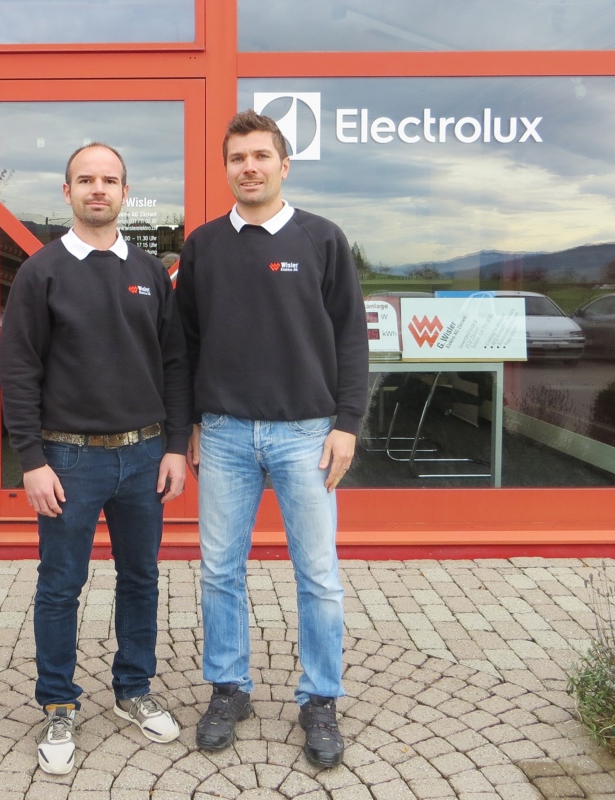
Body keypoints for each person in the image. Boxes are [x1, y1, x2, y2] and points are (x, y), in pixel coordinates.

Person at [175, 110, 369, 768]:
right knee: (219, 572)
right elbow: (185, 343)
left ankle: (320, 699)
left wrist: (347, 424)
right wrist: (189, 423)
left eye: (261, 156)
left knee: (318, 576)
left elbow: (351, 338)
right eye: (238, 158)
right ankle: (228, 690)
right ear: (226, 169)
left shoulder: (322, 239)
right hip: (224, 433)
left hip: (306, 435)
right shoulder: (203, 246)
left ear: (284, 165)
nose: (249, 168)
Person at [0, 143, 192, 775]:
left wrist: (174, 446)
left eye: (109, 180)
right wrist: (31, 458)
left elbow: (174, 363)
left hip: (144, 456)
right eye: (86, 180)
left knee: (141, 579)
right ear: (68, 192)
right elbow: (17, 370)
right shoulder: (42, 272)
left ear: (125, 192)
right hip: (68, 460)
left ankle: (134, 689)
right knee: (60, 586)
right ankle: (58, 703)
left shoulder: (149, 271)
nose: (98, 189)